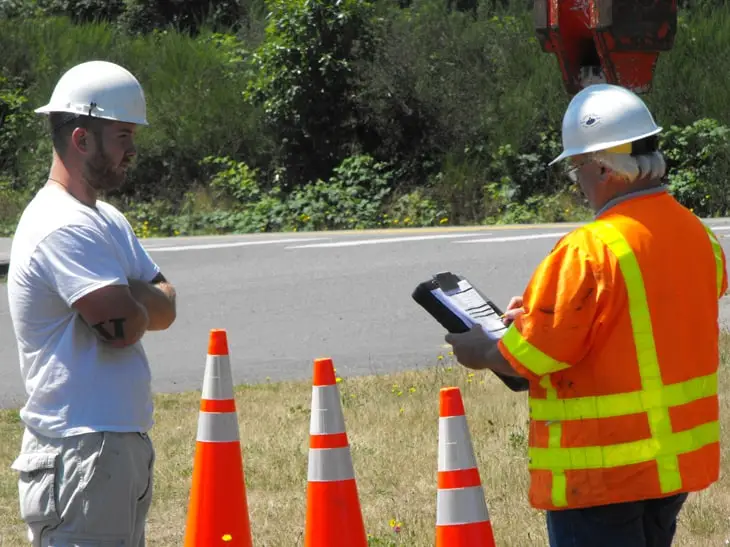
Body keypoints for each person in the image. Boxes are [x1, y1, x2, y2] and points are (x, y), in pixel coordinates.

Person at [445, 83, 728, 547]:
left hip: (603, 475)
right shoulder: (699, 237)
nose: (578, 183)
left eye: (577, 168)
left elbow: (532, 356)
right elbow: (639, 320)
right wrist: (537, 320)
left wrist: (481, 349)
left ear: (602, 168)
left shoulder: (588, 251)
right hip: (671, 467)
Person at [6, 60, 177, 546]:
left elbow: (166, 305)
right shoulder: (62, 226)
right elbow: (121, 329)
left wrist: (127, 292)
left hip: (112, 447)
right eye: (122, 135)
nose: (133, 149)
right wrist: (132, 295)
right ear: (82, 139)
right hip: (80, 448)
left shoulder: (105, 221)